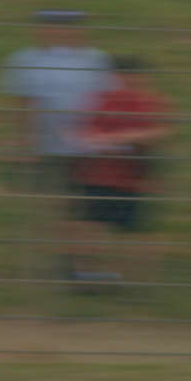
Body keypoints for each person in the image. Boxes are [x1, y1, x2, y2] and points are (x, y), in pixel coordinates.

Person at [0, 9, 113, 283]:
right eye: (53, 27)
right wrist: (19, 142)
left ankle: (78, 264)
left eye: (67, 28)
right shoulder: (24, 60)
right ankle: (63, 263)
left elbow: (108, 102)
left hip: (90, 147)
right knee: (58, 205)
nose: (60, 33)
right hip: (47, 148)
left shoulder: (97, 60)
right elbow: (20, 104)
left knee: (88, 207)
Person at [75, 56, 173, 289]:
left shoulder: (151, 102)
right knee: (93, 227)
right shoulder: (101, 101)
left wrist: (120, 138)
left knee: (135, 232)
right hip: (100, 176)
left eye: (134, 76)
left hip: (135, 179)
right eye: (123, 76)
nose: (128, 81)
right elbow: (86, 137)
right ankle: (90, 277)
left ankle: (134, 280)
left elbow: (161, 134)